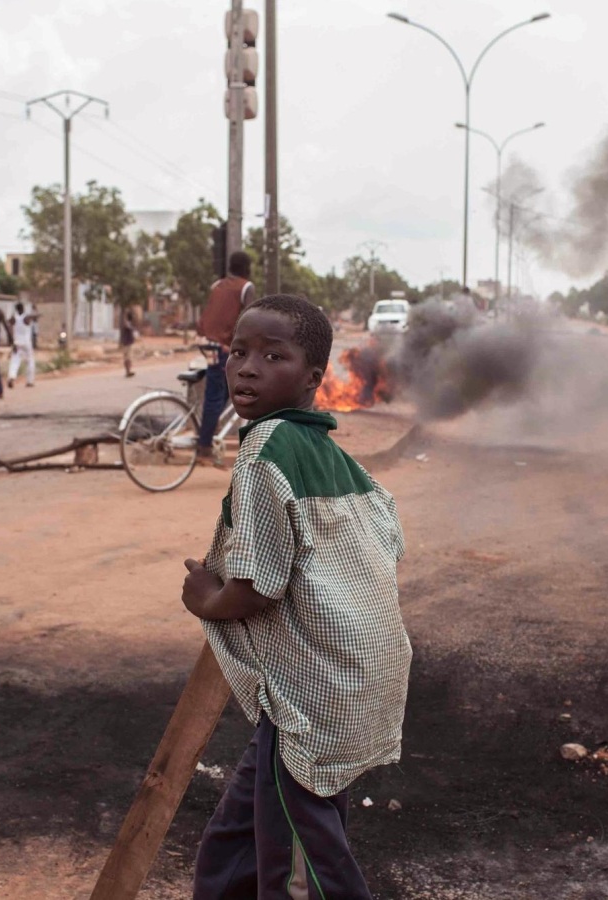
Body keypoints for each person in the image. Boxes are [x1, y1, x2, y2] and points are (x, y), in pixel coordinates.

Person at [182, 294, 409, 899]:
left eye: (272, 356)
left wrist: (207, 598)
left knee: (306, 870)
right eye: (239, 352)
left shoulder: (265, 449)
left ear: (313, 379)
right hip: (342, 681)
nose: (247, 368)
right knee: (234, 843)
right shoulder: (340, 462)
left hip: (314, 695)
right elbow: (389, 543)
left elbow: (258, 588)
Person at [196, 251, 256, 464]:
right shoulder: (246, 287)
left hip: (207, 342)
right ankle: (203, 448)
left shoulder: (218, 285)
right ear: (247, 268)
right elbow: (250, 321)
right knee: (215, 395)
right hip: (222, 348)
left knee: (223, 392)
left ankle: (209, 429)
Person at [7, 301, 37, 388]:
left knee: (15, 361)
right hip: (27, 343)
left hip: (17, 342)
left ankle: (12, 377)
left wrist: (11, 340)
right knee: (30, 361)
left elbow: (8, 323)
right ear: (23, 308)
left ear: (16, 309)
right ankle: (30, 381)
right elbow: (35, 316)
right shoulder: (26, 317)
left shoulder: (14, 318)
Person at [119, 302, 141, 378]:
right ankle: (128, 371)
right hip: (127, 342)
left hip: (125, 341)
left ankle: (127, 371)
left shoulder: (126, 323)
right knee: (128, 358)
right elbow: (128, 326)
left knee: (126, 358)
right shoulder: (127, 324)